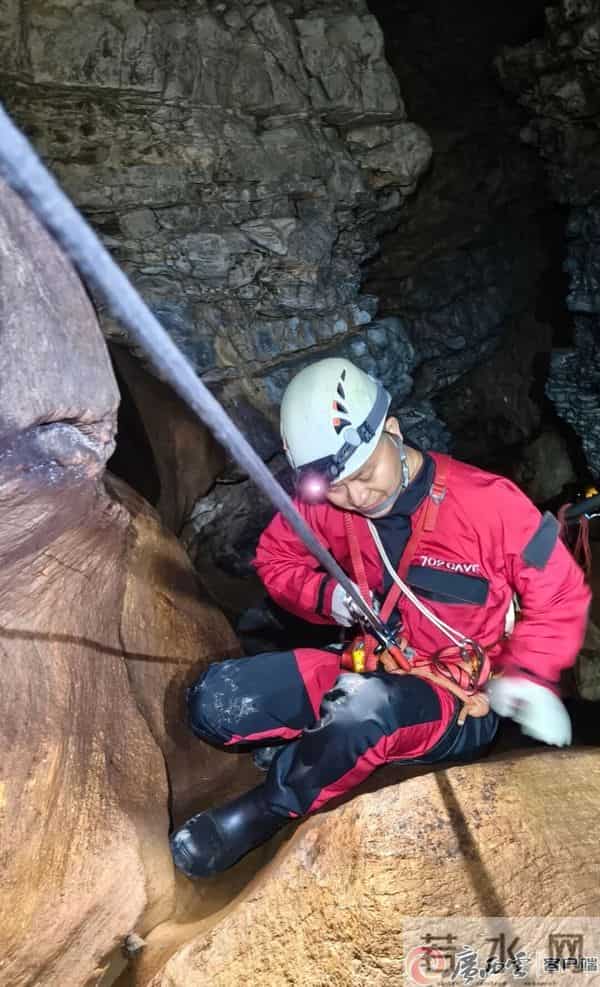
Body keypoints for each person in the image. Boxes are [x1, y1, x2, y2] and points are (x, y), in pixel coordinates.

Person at [170, 357, 591, 878]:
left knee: (362, 711)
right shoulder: (330, 503)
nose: (358, 497)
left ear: (391, 430)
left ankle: (270, 806)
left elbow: (561, 593)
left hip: (454, 698)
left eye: (366, 474)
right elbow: (275, 560)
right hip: (370, 661)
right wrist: (329, 598)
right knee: (214, 703)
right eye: (338, 487)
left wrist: (529, 677)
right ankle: (314, 736)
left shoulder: (491, 506)